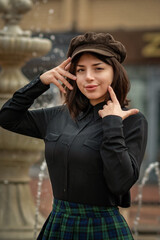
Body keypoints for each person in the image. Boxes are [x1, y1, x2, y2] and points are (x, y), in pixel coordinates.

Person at [0, 32, 148, 240]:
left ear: (115, 73)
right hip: (60, 222)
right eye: (80, 70)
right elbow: (7, 117)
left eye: (98, 68)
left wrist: (112, 124)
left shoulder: (131, 121)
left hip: (102, 226)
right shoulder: (58, 116)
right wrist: (41, 82)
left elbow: (120, 183)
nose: (88, 76)